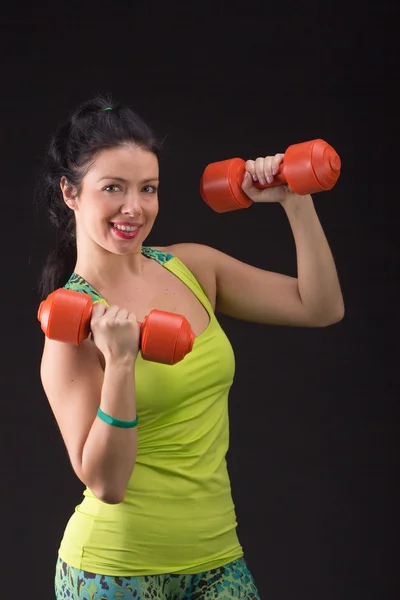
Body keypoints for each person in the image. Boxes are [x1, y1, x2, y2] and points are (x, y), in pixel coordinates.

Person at [38, 94, 345, 600]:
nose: (133, 208)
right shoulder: (72, 327)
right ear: (71, 192)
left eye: (148, 189)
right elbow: (107, 485)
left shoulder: (194, 267)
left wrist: (296, 200)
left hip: (218, 557)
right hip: (115, 572)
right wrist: (119, 363)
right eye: (112, 187)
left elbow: (320, 307)